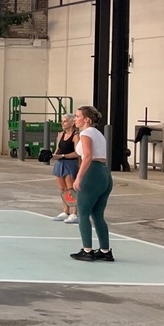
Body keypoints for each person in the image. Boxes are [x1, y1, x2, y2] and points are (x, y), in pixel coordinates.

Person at [70, 105, 113, 262]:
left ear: (86, 119)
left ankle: (87, 250)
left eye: (77, 116)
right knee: (98, 215)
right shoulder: (98, 133)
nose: (75, 119)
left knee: (83, 214)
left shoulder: (86, 133)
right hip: (104, 173)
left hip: (92, 173)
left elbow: (87, 156)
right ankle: (105, 250)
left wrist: (79, 177)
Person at [50, 113, 79, 223]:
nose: (63, 123)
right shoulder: (60, 134)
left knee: (70, 189)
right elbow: (58, 149)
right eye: (62, 121)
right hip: (60, 164)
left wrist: (62, 156)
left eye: (65, 121)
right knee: (62, 189)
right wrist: (52, 155)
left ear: (72, 122)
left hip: (70, 164)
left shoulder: (76, 135)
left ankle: (74, 213)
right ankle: (65, 211)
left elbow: (77, 153)